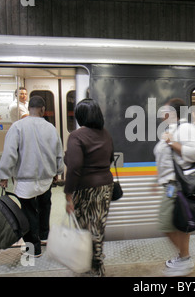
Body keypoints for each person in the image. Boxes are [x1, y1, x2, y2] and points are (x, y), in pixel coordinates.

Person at [0, 96, 64, 257]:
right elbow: (58, 154)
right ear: (42, 109)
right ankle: (44, 236)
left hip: (25, 180)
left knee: (28, 212)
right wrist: (57, 171)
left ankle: (33, 249)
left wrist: (4, 175)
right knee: (44, 207)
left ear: (29, 108)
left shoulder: (17, 127)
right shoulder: (50, 128)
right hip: (46, 179)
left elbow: (10, 154)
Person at [64, 98, 114, 277]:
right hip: (106, 187)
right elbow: (109, 159)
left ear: (80, 116)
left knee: (85, 229)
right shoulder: (105, 134)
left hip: (86, 189)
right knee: (98, 227)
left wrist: (68, 194)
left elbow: (74, 167)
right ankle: (95, 263)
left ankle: (94, 268)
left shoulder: (76, 136)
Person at [154, 98, 195, 277]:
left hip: (177, 186)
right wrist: (156, 179)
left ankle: (185, 259)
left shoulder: (187, 129)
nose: (162, 115)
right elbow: (167, 160)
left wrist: (170, 143)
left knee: (165, 224)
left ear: (174, 113)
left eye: (164, 112)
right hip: (171, 184)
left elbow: (194, 153)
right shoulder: (173, 130)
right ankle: (183, 258)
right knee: (181, 225)